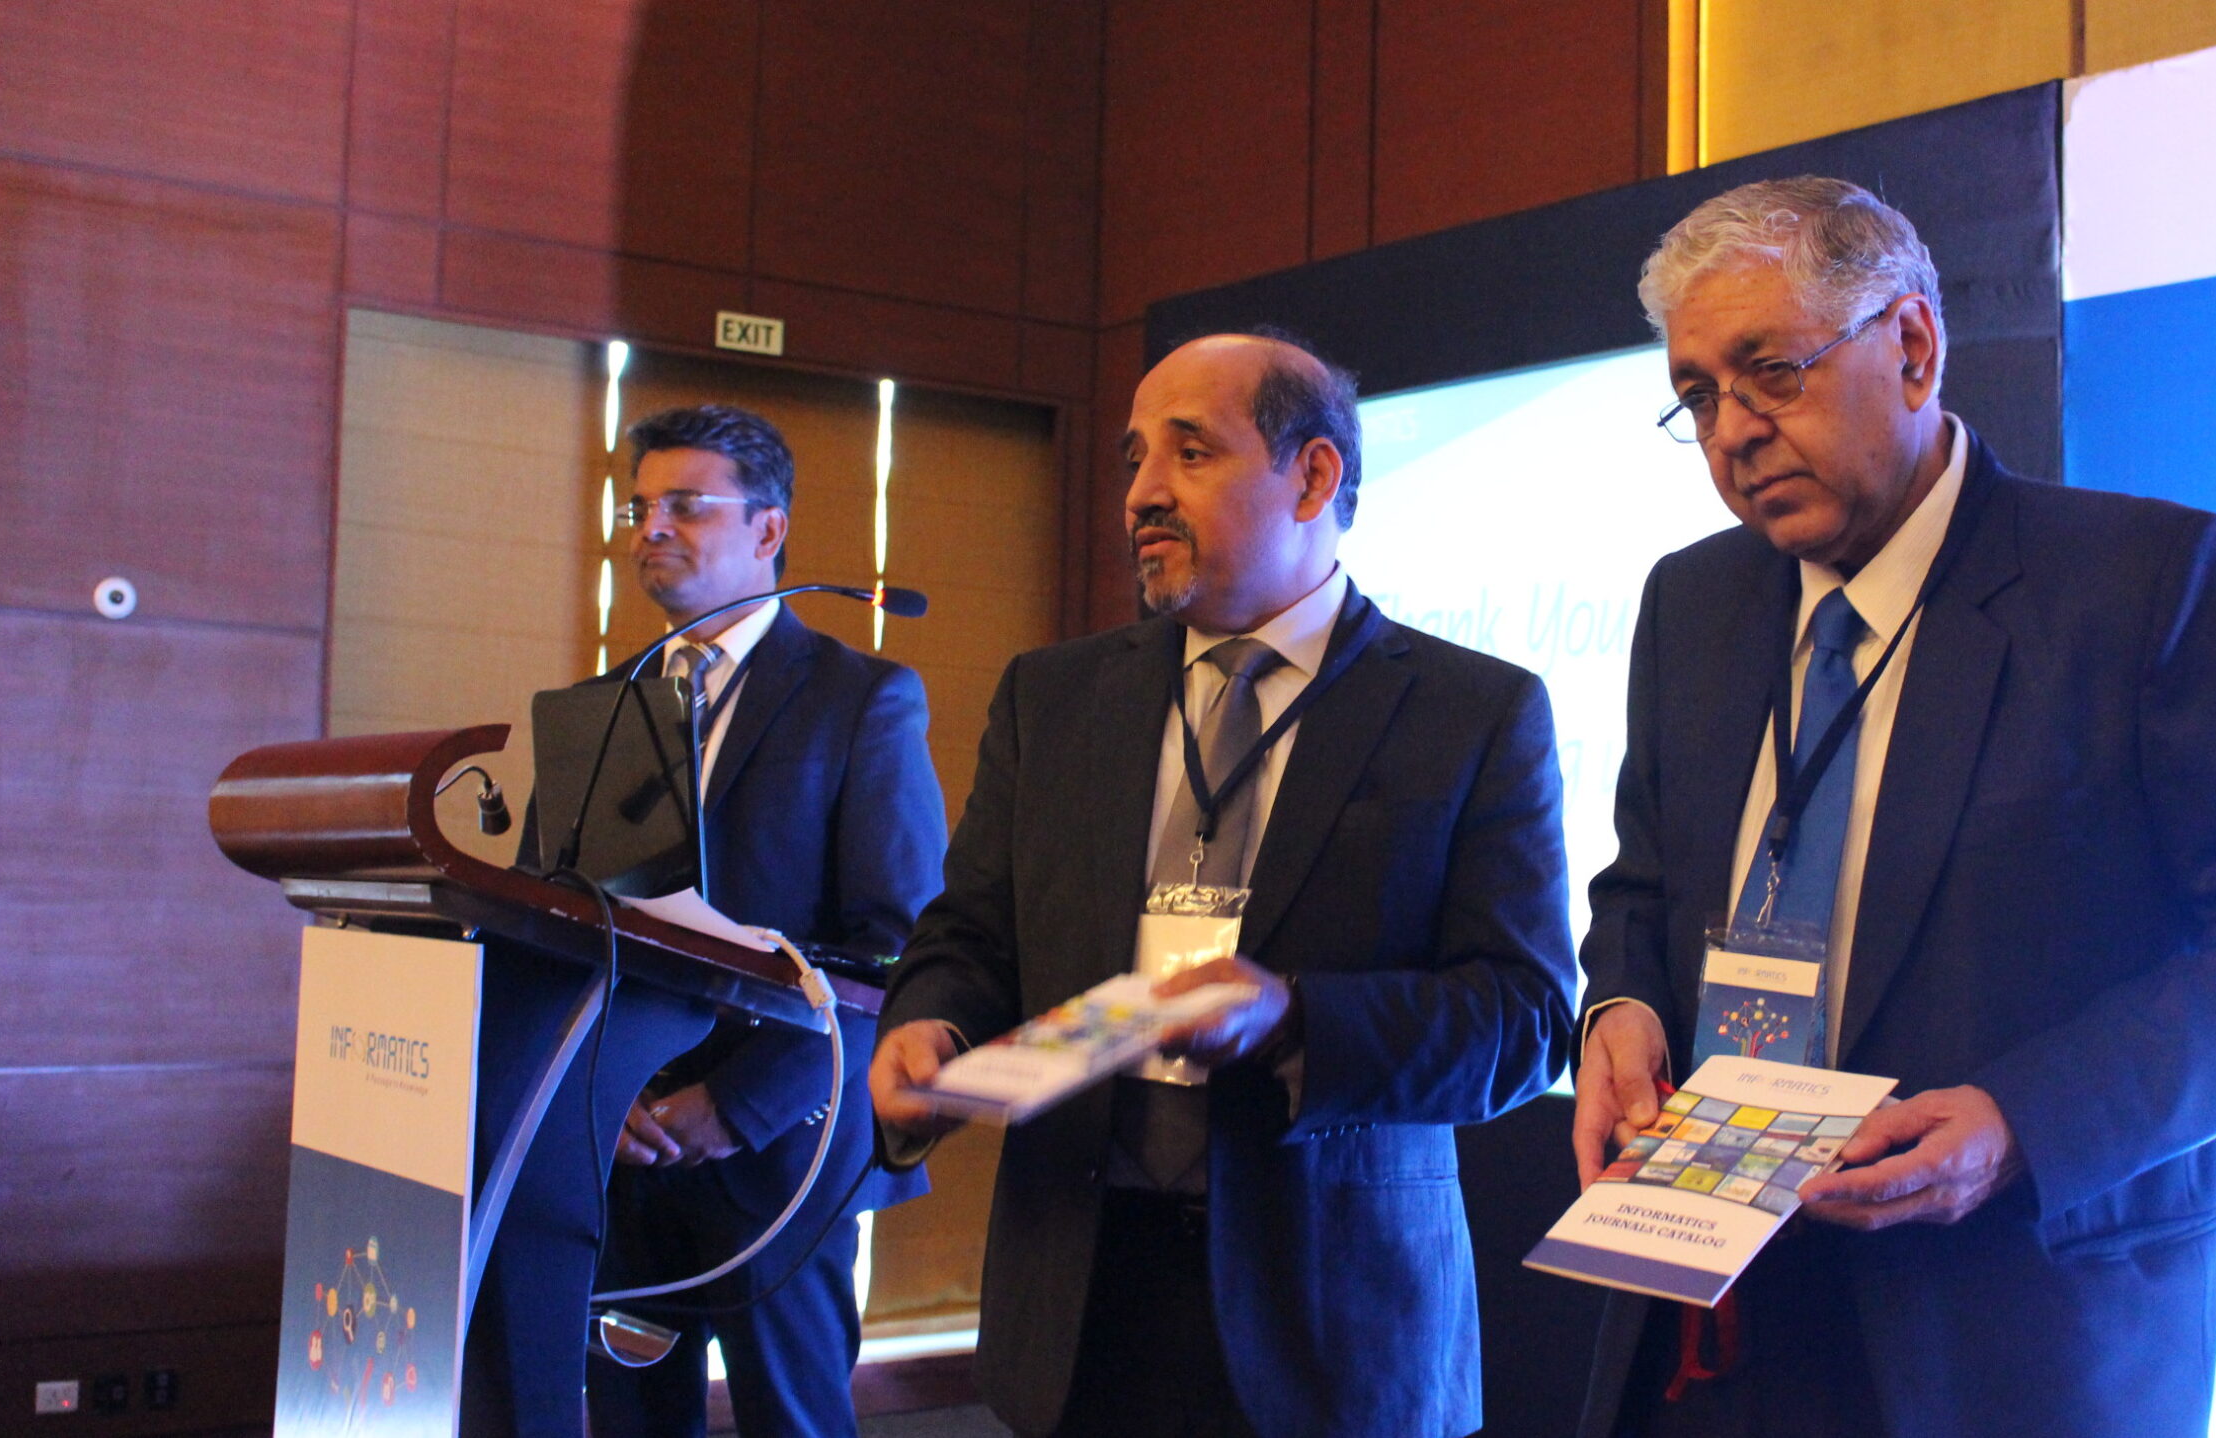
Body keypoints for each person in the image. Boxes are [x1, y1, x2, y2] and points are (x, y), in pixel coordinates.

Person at [1570, 178, 2216, 1437]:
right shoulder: (1690, 603)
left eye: (1770, 373)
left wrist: (2023, 1124)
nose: (1730, 431)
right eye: (1696, 395)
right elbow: (1645, 882)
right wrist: (1621, 1008)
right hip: (1716, 1311)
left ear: (1911, 345)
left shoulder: (2145, 583)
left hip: (2003, 1325)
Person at [869, 332, 1574, 1438]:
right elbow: (971, 931)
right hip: (1080, 1310)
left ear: (1314, 476)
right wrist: (931, 1021)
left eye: (1189, 453)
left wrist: (1293, 1019)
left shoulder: (1471, 712)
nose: (1142, 493)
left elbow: (1523, 1019)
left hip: (1333, 1326)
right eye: (1134, 457)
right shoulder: (1053, 698)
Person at [583, 405, 947, 1438]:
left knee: (793, 1422)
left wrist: (733, 1107)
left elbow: (895, 944)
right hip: (625, 1146)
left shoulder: (861, 698)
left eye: (685, 505)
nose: (652, 528)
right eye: (639, 508)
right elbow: (567, 927)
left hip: (784, 1146)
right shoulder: (602, 707)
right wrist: (608, 1097)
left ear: (769, 529)